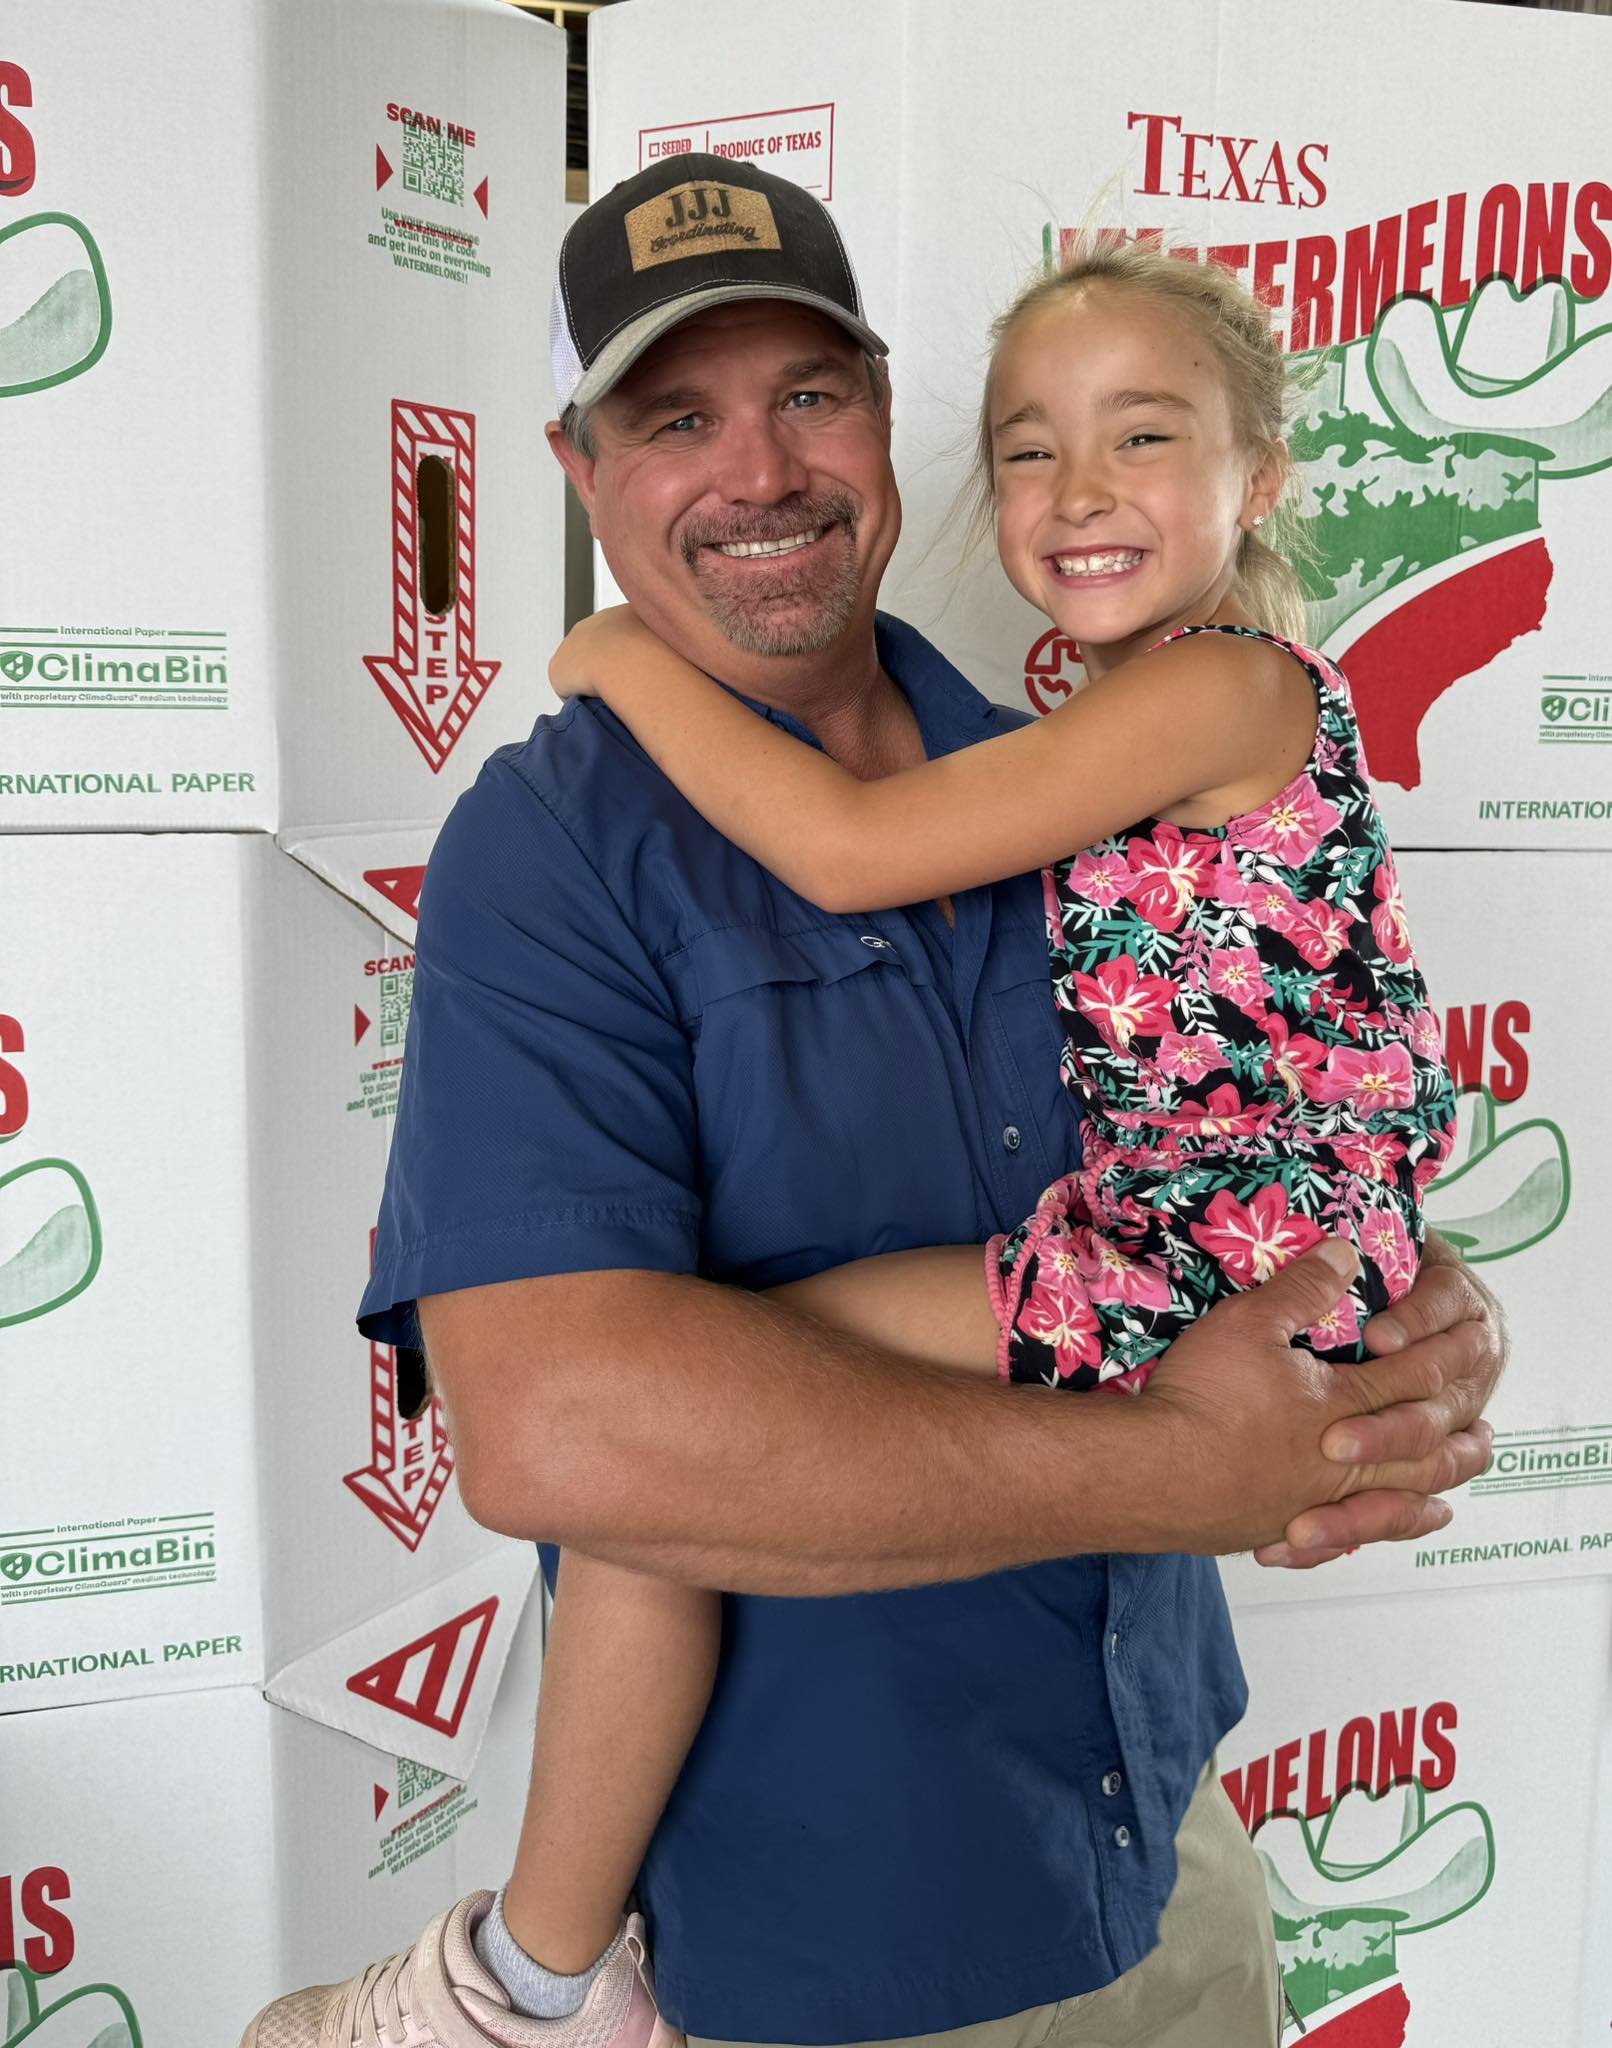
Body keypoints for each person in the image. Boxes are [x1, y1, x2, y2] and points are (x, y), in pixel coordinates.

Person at [241, 158, 1502, 2048]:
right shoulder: (553, 847)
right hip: (836, 1955)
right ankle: (525, 1989)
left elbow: (1237, 1113)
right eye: (676, 416)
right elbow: (567, 1440)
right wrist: (1194, 1462)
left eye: (807, 394)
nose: (757, 470)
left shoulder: (1064, 779)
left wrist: (1415, 1308)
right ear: (582, 474)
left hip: (1167, 1859)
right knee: (696, 1393)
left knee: (760, 1356)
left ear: (885, 424)